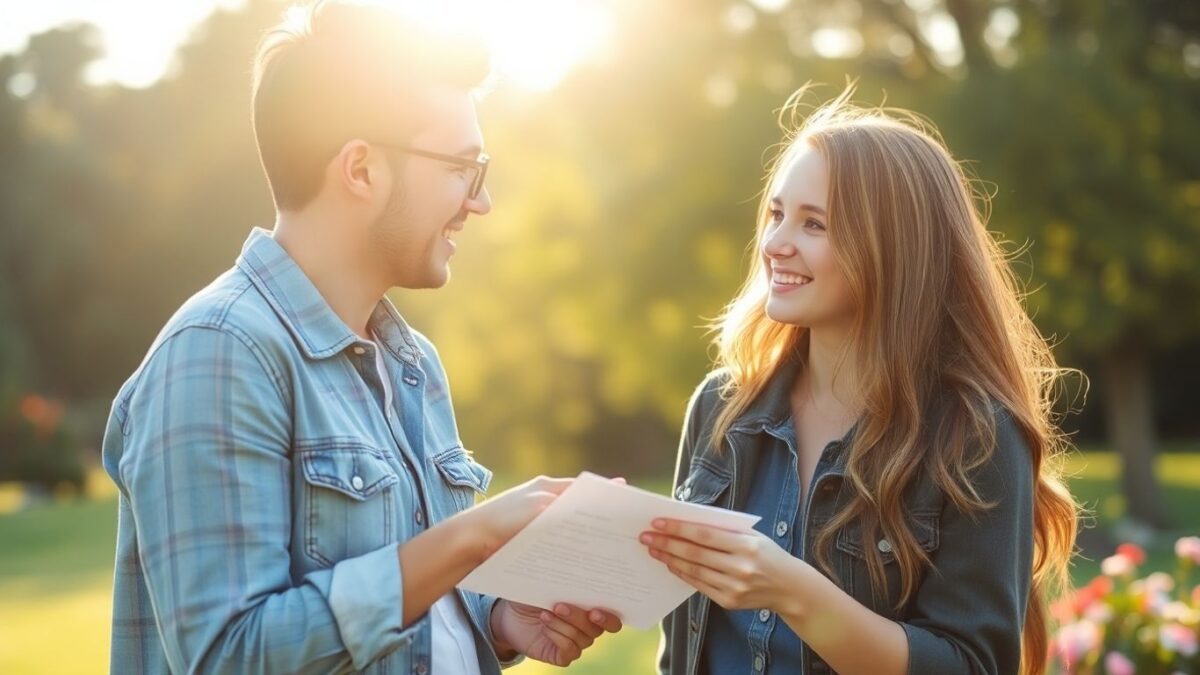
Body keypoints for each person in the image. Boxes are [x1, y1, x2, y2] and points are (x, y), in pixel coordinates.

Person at [101, 2, 620, 672]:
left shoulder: (413, 364)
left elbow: (398, 601)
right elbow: (228, 655)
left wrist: (491, 615)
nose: (480, 200)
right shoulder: (221, 351)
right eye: (463, 167)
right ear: (362, 169)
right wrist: (469, 538)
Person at [644, 87, 1079, 675]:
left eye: (814, 223)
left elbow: (972, 664)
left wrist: (792, 590)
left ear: (892, 249)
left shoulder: (974, 437)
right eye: (776, 214)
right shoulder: (722, 407)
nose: (775, 244)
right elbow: (682, 649)